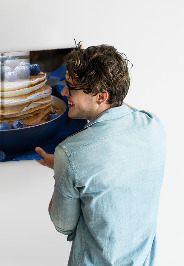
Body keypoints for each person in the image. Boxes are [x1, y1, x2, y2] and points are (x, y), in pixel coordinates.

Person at [35, 44, 165, 265]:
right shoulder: (153, 125)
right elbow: (120, 107)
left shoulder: (70, 153)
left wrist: (62, 169)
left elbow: (63, 225)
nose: (64, 92)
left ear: (101, 96)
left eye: (72, 87)